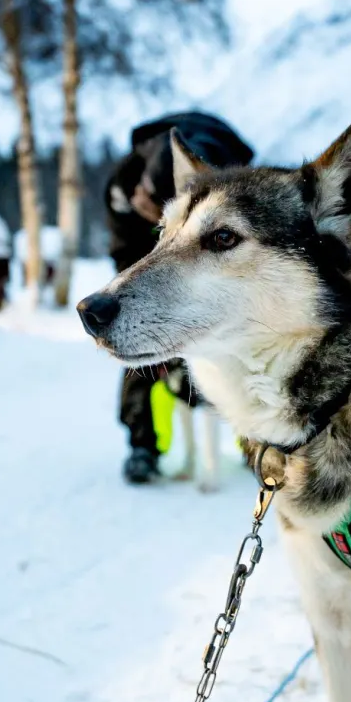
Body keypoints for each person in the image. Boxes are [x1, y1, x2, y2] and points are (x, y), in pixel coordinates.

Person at [105, 112, 255, 484]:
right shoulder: (121, 187)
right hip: (141, 254)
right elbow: (124, 252)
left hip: (213, 253)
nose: (145, 205)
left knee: (243, 345)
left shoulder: (226, 173)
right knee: (139, 352)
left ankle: (256, 443)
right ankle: (144, 445)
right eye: (153, 210)